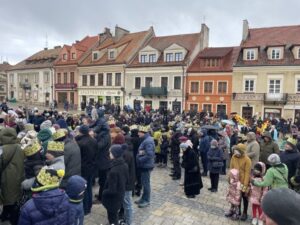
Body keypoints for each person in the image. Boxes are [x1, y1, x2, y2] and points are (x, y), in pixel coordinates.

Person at [0, 128, 24, 225]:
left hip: (6, 178)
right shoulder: (20, 147)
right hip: (19, 176)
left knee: (6, 196)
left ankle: (6, 215)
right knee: (15, 197)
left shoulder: (2, 149)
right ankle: (13, 217)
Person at [102, 144, 128, 225]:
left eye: (110, 152)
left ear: (115, 154)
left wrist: (104, 192)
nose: (109, 154)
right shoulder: (124, 164)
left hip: (112, 199)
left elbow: (112, 190)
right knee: (114, 215)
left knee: (112, 216)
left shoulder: (114, 170)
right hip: (120, 195)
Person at [75, 125, 97, 215]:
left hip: (84, 168)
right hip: (92, 166)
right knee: (89, 188)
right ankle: (89, 206)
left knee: (84, 188)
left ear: (81, 132)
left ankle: (86, 208)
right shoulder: (94, 140)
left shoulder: (80, 142)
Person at [227, 143, 251, 221]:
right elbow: (231, 168)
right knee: (235, 196)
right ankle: (237, 211)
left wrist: (245, 185)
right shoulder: (233, 157)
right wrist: (229, 178)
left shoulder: (247, 160)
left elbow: (247, 173)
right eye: (235, 151)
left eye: (237, 151)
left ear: (241, 151)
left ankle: (244, 213)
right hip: (234, 180)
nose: (235, 152)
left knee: (244, 197)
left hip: (243, 181)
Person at [135, 125, 155, 208]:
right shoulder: (146, 139)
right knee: (144, 182)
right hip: (144, 165)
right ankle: (143, 198)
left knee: (146, 184)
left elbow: (150, 154)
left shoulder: (148, 141)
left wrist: (140, 160)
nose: (138, 134)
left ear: (143, 133)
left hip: (146, 166)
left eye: (139, 133)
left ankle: (147, 200)